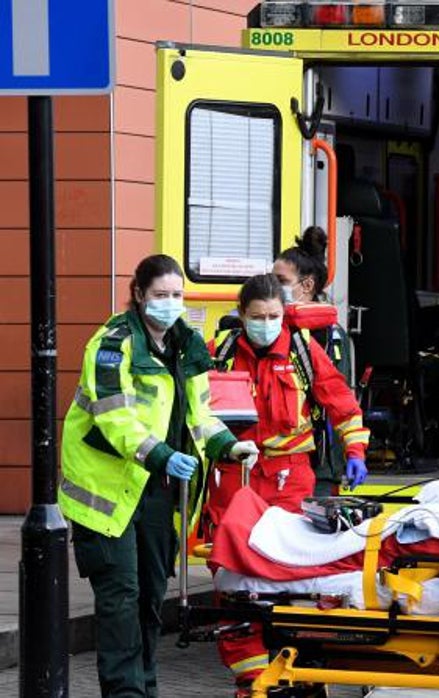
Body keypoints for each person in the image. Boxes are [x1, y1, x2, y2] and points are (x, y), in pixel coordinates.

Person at [60, 254, 259, 697]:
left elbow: (200, 413)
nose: (170, 303)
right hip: (107, 492)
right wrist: (163, 455)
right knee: (121, 602)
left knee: (150, 598)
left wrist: (227, 444)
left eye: (176, 295)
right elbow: (115, 418)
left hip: (154, 492)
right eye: (160, 295)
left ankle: (144, 688)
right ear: (138, 295)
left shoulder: (187, 345)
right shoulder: (112, 344)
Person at [204, 273, 371, 693]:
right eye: (257, 316)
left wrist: (355, 452)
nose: (266, 323)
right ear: (242, 315)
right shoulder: (219, 353)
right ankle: (253, 676)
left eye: (274, 315)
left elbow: (341, 402)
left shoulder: (302, 350)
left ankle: (301, 667)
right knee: (232, 576)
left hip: (290, 475)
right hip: (234, 474)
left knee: (294, 573)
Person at [272, 226, 355, 496]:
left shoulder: (330, 337)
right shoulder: (271, 329)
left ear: (306, 285)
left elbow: (338, 400)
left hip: (319, 462)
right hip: (278, 460)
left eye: (280, 281)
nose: (272, 288)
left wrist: (353, 453)